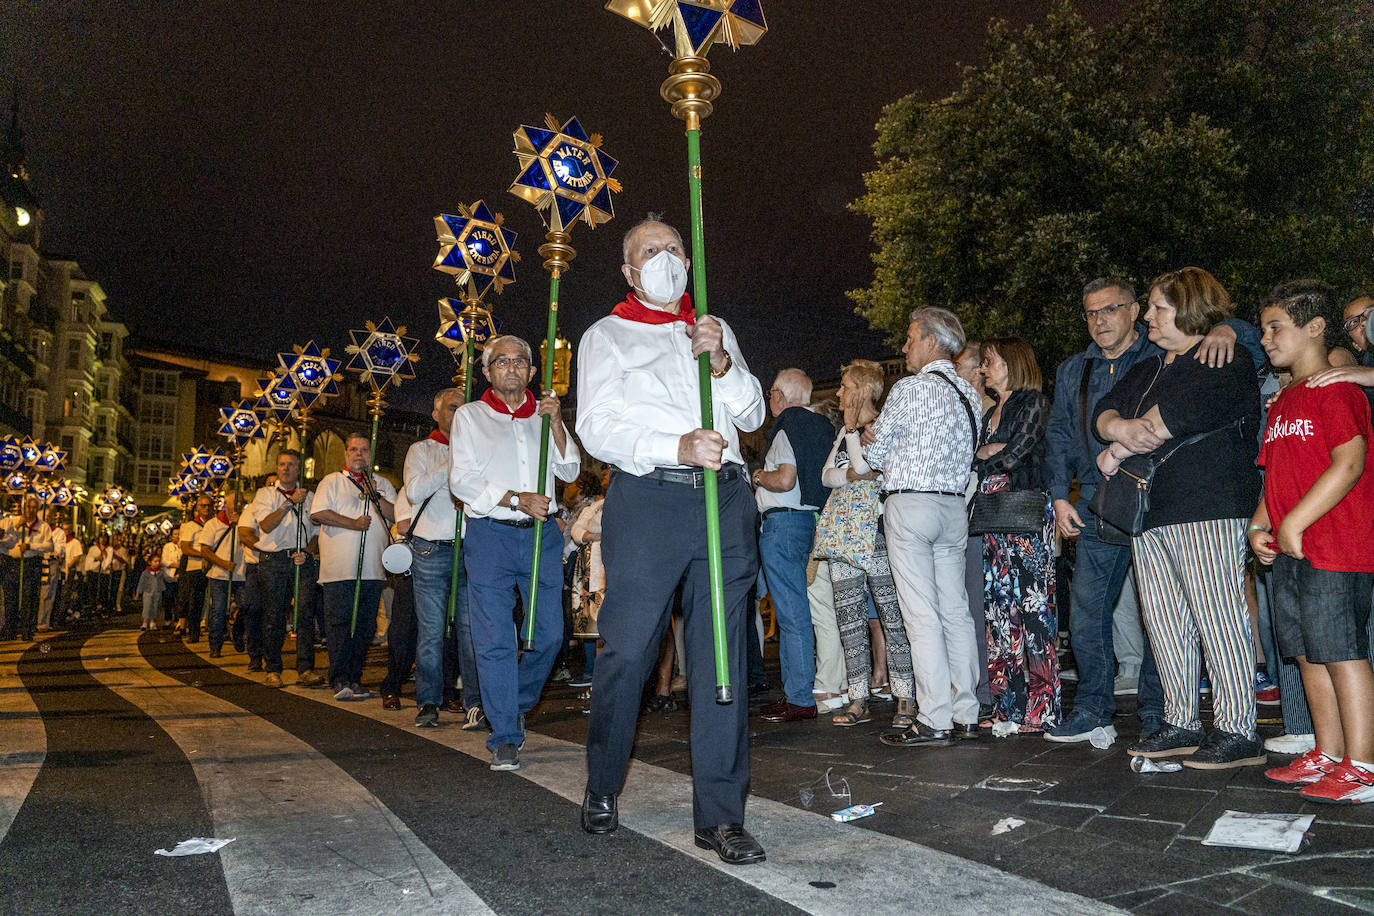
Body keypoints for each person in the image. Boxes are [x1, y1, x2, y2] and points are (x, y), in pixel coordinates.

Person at [576, 217, 766, 864]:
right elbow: (596, 426)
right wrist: (673, 445)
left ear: (690, 260)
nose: (666, 258)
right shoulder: (606, 335)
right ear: (629, 271)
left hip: (725, 499)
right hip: (650, 499)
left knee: (720, 656)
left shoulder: (711, 327)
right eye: (650, 251)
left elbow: (751, 413)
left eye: (674, 248)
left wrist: (722, 362)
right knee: (630, 648)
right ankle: (604, 780)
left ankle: (721, 815)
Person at [1044, 277, 1258, 744]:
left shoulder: (1217, 355)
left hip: (1204, 507)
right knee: (1162, 622)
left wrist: (1116, 448)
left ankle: (1230, 729)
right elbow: (1099, 414)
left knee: (1215, 619)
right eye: (1091, 312)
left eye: (1155, 309)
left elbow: (1176, 413)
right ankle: (1172, 722)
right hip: (1133, 507)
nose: (1147, 318)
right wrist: (1113, 433)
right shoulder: (1144, 366)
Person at [1252, 281, 1374, 803]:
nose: (1265, 339)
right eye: (1263, 329)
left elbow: (1350, 463)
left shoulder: (1337, 391)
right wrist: (1260, 526)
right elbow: (1274, 475)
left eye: (1275, 327)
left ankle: (1363, 766)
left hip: (1336, 546)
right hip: (1291, 549)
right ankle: (1328, 751)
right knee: (1306, 653)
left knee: (1342, 653)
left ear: (1315, 328)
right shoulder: (1282, 400)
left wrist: (1295, 523)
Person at [450, 334, 581, 770]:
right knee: (495, 639)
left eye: (520, 361)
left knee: (550, 635)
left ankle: (511, 702)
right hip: (490, 536)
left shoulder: (543, 415)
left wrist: (556, 422)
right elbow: (461, 480)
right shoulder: (470, 416)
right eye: (501, 361)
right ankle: (505, 733)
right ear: (487, 372)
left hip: (541, 536)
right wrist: (515, 499)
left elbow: (570, 469)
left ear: (532, 370)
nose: (511, 367)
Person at [864, 307, 983, 748]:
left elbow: (875, 456)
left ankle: (933, 717)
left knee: (921, 615)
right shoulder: (970, 394)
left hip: (911, 503)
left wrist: (870, 438)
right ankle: (966, 711)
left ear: (932, 342)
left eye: (911, 338)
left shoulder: (910, 388)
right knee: (955, 610)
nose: (905, 346)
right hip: (953, 507)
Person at [821, 358, 915, 729]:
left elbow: (869, 469)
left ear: (861, 390)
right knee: (849, 620)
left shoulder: (882, 426)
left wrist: (854, 459)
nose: (838, 393)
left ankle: (905, 696)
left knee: (893, 618)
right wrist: (852, 464)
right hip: (844, 536)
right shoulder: (843, 432)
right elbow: (827, 476)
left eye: (844, 386)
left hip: (876, 534)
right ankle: (858, 697)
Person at [973, 337, 1059, 733]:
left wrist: (987, 454)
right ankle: (1007, 707)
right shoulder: (990, 413)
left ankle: (1042, 710)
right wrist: (990, 450)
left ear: (1013, 363)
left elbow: (1017, 453)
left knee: (1033, 611)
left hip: (1024, 515)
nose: (984, 368)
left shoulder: (1033, 402)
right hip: (992, 518)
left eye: (990, 361)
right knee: (999, 613)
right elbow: (988, 454)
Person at [754, 368, 836, 723]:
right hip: (810, 522)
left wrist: (758, 476)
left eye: (771, 391)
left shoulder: (787, 425)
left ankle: (800, 698)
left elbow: (785, 479)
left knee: (791, 614)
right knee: (801, 611)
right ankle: (795, 692)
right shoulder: (822, 426)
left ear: (780, 396)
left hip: (783, 525)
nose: (770, 398)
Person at [404, 388, 475, 728]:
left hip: (469, 547)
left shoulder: (476, 448)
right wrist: (452, 464)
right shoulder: (422, 450)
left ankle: (474, 702)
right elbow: (414, 491)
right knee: (431, 631)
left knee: (471, 630)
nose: (458, 413)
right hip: (431, 548)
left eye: (463, 408)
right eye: (452, 408)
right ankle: (429, 701)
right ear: (436, 414)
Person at [311, 433, 396, 702]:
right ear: (346, 453)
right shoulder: (332, 481)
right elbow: (318, 513)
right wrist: (353, 524)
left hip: (372, 569)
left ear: (371, 454)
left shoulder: (382, 484)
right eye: (354, 449)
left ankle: (355, 677)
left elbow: (396, 515)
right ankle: (339, 678)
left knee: (365, 626)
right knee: (339, 624)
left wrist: (375, 495)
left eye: (364, 450)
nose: (359, 454)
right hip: (339, 569)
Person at [244, 451, 320, 688]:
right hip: (273, 561)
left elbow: (317, 533)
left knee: (305, 614)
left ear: (299, 469)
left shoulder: (310, 497)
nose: (286, 468)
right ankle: (273, 668)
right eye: (282, 464)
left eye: (291, 465)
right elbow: (266, 525)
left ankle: (305, 668)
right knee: (274, 615)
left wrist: (308, 552)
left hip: (301, 560)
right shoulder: (265, 494)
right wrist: (290, 503)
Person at [953, 343, 993, 714]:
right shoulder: (962, 406)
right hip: (962, 515)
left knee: (978, 606)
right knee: (967, 606)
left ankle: (984, 690)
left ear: (980, 369)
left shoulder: (986, 410)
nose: (955, 372)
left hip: (982, 516)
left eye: (960, 365)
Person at [198, 491, 245, 660]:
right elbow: (205, 550)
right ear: (226, 504)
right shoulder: (213, 524)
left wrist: (241, 524)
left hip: (241, 575)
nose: (239, 505)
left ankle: (237, 632)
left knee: (247, 607)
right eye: (235, 502)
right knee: (218, 610)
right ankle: (215, 645)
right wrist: (223, 563)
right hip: (219, 575)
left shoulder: (245, 523)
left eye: (241, 502)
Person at [0, 497, 53, 641]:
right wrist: (17, 526)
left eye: (34, 507)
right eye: (29, 507)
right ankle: (10, 630)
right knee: (11, 597)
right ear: (24, 508)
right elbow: (4, 539)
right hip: (12, 562)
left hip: (32, 563)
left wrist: (31, 546)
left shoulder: (43, 526)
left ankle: (27, 630)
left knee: (29, 597)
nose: (31, 510)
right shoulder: (10, 522)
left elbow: (49, 546)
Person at [177, 493, 215, 642]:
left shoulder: (215, 525)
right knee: (195, 601)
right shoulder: (190, 526)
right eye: (203, 506)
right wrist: (205, 555)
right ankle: (194, 632)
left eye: (209, 505)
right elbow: (186, 548)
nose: (206, 508)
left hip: (214, 566)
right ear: (197, 508)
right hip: (195, 567)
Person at [135, 556, 168, 632]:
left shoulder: (161, 572)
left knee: (156, 607)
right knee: (147, 607)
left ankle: (153, 622)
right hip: (148, 592)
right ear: (150, 562)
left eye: (158, 561)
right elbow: (141, 582)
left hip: (158, 592)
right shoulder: (146, 572)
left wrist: (175, 578)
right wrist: (138, 592)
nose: (157, 563)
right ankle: (145, 622)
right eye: (155, 561)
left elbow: (167, 578)